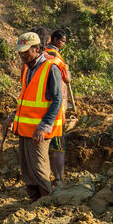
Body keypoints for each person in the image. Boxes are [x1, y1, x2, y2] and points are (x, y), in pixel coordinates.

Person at [4, 31, 63, 200]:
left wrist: (44, 127)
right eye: (20, 51)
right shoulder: (26, 69)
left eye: (26, 50)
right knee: (27, 169)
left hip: (39, 131)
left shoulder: (51, 68)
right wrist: (13, 116)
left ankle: (45, 205)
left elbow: (57, 101)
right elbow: (26, 99)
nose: (22, 54)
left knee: (39, 169)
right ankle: (34, 202)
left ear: (37, 49)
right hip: (24, 128)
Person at [43, 28, 74, 183]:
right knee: (58, 146)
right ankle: (59, 178)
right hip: (55, 110)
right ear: (54, 40)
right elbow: (67, 79)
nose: (63, 44)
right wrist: (67, 70)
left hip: (39, 110)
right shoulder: (55, 57)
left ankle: (44, 177)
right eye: (62, 41)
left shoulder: (38, 56)